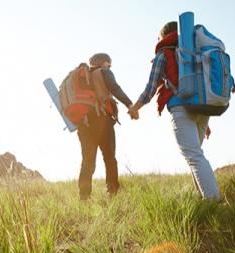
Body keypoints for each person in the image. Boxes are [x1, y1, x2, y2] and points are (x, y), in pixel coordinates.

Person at [128, 21, 221, 199]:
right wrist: (204, 120)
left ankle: (213, 201)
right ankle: (204, 198)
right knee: (195, 155)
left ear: (163, 36)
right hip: (203, 109)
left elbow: (151, 87)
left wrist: (135, 107)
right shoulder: (196, 52)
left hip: (181, 107)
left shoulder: (164, 53)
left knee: (193, 155)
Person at [77, 53, 133, 200]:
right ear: (104, 62)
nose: (110, 66)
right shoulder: (103, 72)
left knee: (88, 160)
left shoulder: (83, 77)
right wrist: (129, 104)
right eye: (109, 63)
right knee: (109, 157)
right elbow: (114, 88)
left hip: (84, 123)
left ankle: (84, 196)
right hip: (102, 120)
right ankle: (112, 193)